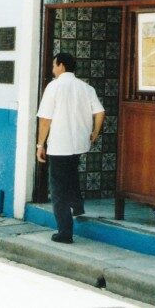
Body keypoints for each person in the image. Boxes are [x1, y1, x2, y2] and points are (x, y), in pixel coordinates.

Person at [35, 52, 105, 244]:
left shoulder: (54, 87)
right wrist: (95, 132)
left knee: (58, 189)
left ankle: (64, 232)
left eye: (54, 65)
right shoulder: (86, 88)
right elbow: (100, 112)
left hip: (59, 144)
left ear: (62, 66)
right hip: (79, 144)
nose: (52, 69)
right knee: (71, 173)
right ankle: (78, 206)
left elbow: (45, 119)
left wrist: (40, 144)